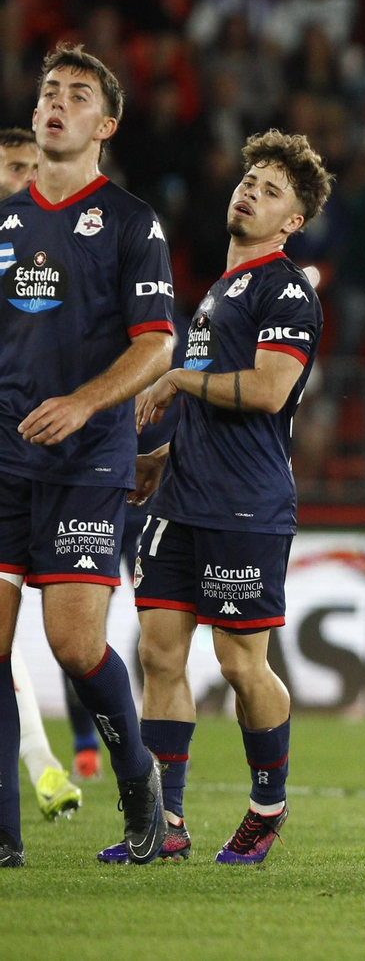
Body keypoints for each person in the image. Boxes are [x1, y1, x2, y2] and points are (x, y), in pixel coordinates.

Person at [110, 130, 330, 865]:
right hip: (180, 501)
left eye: (272, 191)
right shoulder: (218, 291)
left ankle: (267, 808)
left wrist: (172, 380)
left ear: (292, 223)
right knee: (159, 655)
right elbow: (219, 407)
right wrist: (164, 457)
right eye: (251, 181)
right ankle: (164, 824)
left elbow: (268, 393)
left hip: (247, 505)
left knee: (241, 666)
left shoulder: (286, 290)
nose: (251, 193)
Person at [0, 45, 177, 868]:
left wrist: (82, 404)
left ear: (104, 124)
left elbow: (156, 346)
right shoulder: (4, 220)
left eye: (76, 95)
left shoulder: (133, 223)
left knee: (73, 645)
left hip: (86, 457)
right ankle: (4, 837)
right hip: (4, 458)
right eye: (48, 92)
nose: (55, 104)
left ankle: (138, 779)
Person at [0, 127, 87, 822]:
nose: (24, 178)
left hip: (40, 461)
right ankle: (43, 765)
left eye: (31, 167)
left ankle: (44, 765)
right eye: (13, 168)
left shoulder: (60, 254)